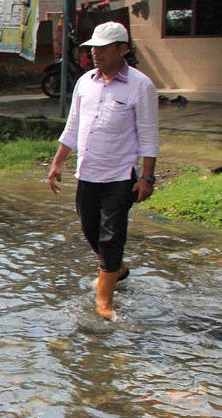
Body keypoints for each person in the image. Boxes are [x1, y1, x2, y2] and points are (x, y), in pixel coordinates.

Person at [48, 21, 159, 320]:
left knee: (111, 236)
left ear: (122, 49)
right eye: (92, 48)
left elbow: (148, 135)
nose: (95, 53)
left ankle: (104, 301)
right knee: (90, 229)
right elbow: (73, 127)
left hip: (120, 176)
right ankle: (116, 268)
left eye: (103, 48)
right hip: (88, 173)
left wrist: (147, 176)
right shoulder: (86, 82)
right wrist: (58, 162)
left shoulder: (141, 85)